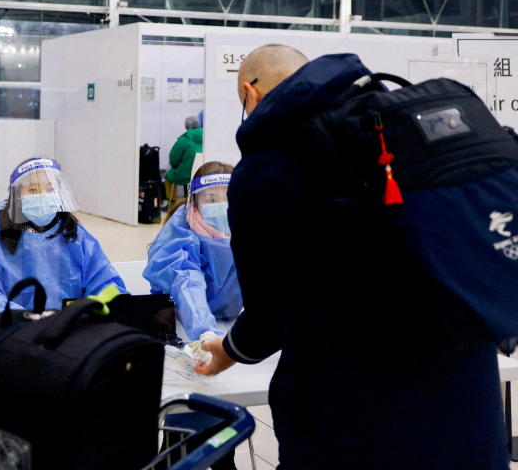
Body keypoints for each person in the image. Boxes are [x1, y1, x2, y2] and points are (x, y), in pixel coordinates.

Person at [196, 45, 508, 469]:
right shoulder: (399, 130)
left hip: (351, 406)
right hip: (465, 393)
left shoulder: (266, 168)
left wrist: (227, 351)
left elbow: (267, 317)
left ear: (249, 93)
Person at [0, 158, 127, 324]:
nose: (43, 196)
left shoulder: (75, 236)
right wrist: (27, 321)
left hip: (70, 333)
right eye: (33, 190)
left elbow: (106, 286)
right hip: (15, 336)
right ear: (17, 197)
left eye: (50, 188)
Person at [143, 161, 242, 341]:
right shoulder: (181, 232)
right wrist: (205, 330)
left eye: (229, 196)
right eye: (211, 199)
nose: (222, 205)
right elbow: (185, 280)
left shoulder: (247, 226)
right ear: (195, 202)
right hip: (180, 324)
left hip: (231, 323)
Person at [164, 115, 204, 187]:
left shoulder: (183, 140)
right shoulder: (207, 137)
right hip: (203, 174)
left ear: (186, 126)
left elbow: (173, 160)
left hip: (186, 175)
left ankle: (171, 198)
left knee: (168, 174)